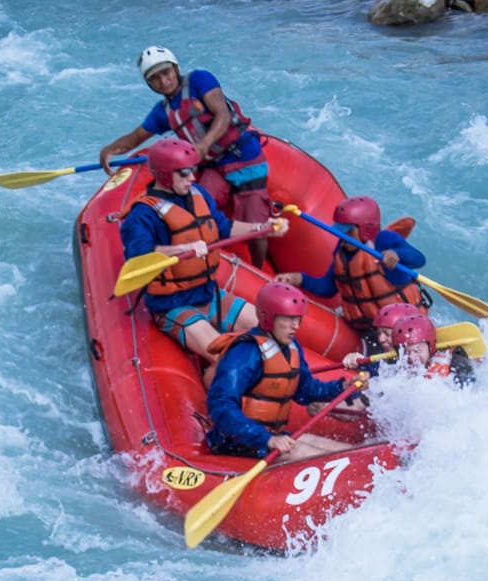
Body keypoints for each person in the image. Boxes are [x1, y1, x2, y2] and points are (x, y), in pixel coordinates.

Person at [100, 45, 274, 268]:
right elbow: (136, 137)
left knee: (254, 225)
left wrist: (203, 145)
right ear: (149, 84)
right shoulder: (163, 111)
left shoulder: (200, 80)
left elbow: (222, 114)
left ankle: (258, 269)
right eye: (155, 78)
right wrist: (109, 150)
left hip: (244, 159)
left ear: (175, 68)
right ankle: (201, 259)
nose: (163, 81)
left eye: (166, 73)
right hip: (213, 166)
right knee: (194, 211)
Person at [119, 138, 287, 368]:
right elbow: (139, 257)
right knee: (228, 360)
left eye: (193, 171)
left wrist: (262, 228)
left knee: (274, 332)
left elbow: (223, 227)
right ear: (165, 175)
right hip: (172, 304)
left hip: (209, 294)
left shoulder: (197, 194)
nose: (192, 178)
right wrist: (182, 249)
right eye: (185, 173)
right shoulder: (142, 215)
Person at [205, 282, 366, 462]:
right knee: (328, 459)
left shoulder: (291, 346)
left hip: (273, 438)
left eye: (298, 319)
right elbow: (220, 405)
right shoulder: (245, 352)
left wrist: (342, 387)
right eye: (289, 319)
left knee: (352, 453)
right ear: (268, 317)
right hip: (238, 443)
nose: (296, 326)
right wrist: (267, 439)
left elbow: (305, 391)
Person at [276, 195, 428, 338]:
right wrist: (298, 278)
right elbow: (328, 288)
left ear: (366, 230)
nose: (343, 237)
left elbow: (419, 259)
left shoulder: (383, 241)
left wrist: (396, 255)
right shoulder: (342, 251)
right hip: (368, 330)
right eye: (341, 232)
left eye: (349, 232)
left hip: (403, 326)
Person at [390, 314, 475, 388]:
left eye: (417, 350)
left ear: (430, 347)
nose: (411, 358)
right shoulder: (394, 373)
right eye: (405, 352)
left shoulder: (456, 363)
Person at [341, 301, 423, 372]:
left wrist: (365, 365)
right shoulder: (381, 351)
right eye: (379, 333)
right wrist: (356, 358)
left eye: (387, 334)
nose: (381, 339)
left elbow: (394, 375)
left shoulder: (425, 361)